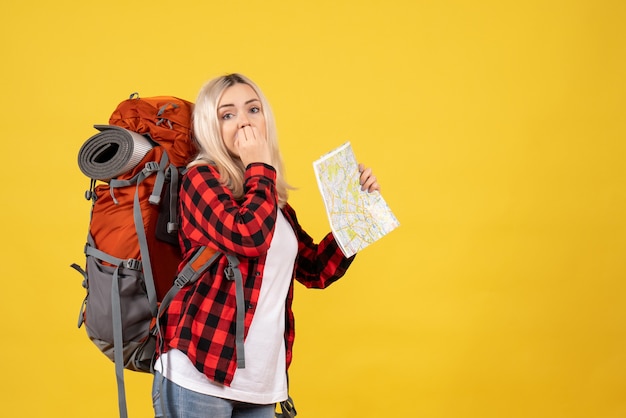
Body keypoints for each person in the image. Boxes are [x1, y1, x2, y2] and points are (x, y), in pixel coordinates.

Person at [153, 73, 381, 418]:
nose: (244, 121)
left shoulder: (272, 202)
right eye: (227, 114)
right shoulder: (201, 179)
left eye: (253, 109)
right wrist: (260, 165)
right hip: (199, 374)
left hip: (261, 386)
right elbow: (248, 236)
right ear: (210, 128)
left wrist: (358, 211)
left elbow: (316, 271)